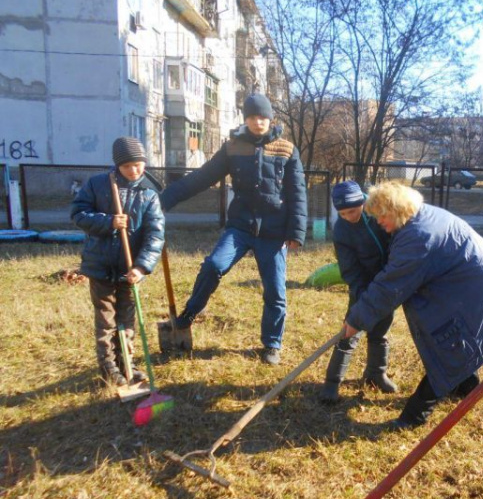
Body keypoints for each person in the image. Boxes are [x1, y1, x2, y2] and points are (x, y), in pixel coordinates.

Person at [343, 182, 483, 428]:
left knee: (449, 347)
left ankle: (413, 417)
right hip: (473, 285)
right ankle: (466, 386)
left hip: (478, 292)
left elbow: (390, 286)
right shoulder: (419, 217)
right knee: (453, 346)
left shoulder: (418, 237)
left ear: (397, 209)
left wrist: (356, 320)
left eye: (381, 216)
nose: (379, 222)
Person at [159, 94, 307, 365]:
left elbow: (297, 192)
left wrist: (296, 231)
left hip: (273, 230)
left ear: (270, 118)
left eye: (262, 117)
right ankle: (187, 316)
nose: (257, 122)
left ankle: (272, 344)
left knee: (275, 290)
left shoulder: (287, 149)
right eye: (252, 117)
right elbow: (201, 177)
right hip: (240, 225)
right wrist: (165, 199)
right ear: (245, 119)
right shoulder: (233, 148)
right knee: (214, 265)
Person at [71, 137, 165, 386]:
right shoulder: (98, 185)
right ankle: (108, 365)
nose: (134, 171)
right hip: (100, 265)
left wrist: (141, 266)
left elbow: (155, 235)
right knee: (106, 319)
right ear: (117, 165)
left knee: (127, 317)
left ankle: (127, 363)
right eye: (128, 166)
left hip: (129, 268)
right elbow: (78, 214)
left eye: (139, 164)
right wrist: (109, 222)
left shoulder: (149, 194)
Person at [319, 181, 397, 403]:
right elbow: (348, 267)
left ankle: (376, 374)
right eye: (342, 213)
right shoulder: (342, 230)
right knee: (350, 332)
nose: (347, 217)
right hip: (361, 285)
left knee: (381, 330)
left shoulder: (379, 214)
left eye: (352, 211)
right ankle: (332, 383)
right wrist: (362, 296)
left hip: (387, 281)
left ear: (362, 203)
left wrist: (389, 282)